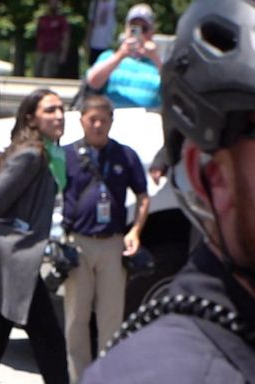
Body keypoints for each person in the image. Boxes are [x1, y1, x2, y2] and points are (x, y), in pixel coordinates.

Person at [81, 0, 255, 382]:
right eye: (135, 25)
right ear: (211, 176)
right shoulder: (157, 372)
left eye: (147, 25)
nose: (140, 32)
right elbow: (93, 83)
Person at [0, 88, 69, 384]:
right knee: (48, 343)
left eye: (61, 109)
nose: (59, 115)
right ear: (31, 119)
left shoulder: (48, 153)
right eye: (50, 110)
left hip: (19, 261)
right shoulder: (31, 156)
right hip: (13, 259)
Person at [62, 95, 150, 383]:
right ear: (82, 121)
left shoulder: (125, 155)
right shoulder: (66, 155)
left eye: (103, 120)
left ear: (112, 122)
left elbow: (142, 196)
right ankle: (79, 377)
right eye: (92, 120)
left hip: (112, 242)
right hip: (78, 241)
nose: (98, 126)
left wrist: (135, 231)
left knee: (111, 318)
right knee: (76, 317)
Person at [86, 3, 161, 109]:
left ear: (152, 31)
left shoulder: (160, 63)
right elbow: (93, 82)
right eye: (134, 28)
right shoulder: (109, 57)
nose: (139, 34)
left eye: (144, 28)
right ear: (126, 29)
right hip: (113, 119)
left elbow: (172, 88)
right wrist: (120, 55)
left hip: (147, 120)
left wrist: (155, 58)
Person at [34, 0, 69, 78]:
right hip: (41, 50)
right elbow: (38, 34)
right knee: (37, 73)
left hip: (53, 51)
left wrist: (63, 54)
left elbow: (65, 37)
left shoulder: (61, 20)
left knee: (47, 74)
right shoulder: (42, 19)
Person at [86, 0, 117, 66]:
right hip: (94, 43)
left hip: (108, 44)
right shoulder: (95, 3)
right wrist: (87, 42)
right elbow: (90, 24)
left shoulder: (114, 3)